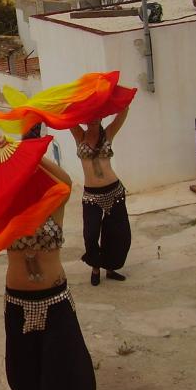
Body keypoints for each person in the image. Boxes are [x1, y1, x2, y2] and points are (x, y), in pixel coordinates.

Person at [0, 133, 96, 390]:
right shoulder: (5, 212)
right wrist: (3, 152)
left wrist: (29, 154)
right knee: (23, 376)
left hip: (55, 301)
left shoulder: (53, 206)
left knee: (67, 376)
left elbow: (65, 183)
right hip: (17, 303)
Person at [70, 108, 130, 286]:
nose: (93, 118)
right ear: (83, 118)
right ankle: (95, 267)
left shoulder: (109, 133)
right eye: (89, 115)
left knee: (116, 234)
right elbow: (66, 117)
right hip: (91, 196)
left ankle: (110, 269)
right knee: (90, 234)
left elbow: (122, 114)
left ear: (102, 115)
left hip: (114, 192)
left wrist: (122, 100)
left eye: (96, 114)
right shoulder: (79, 135)